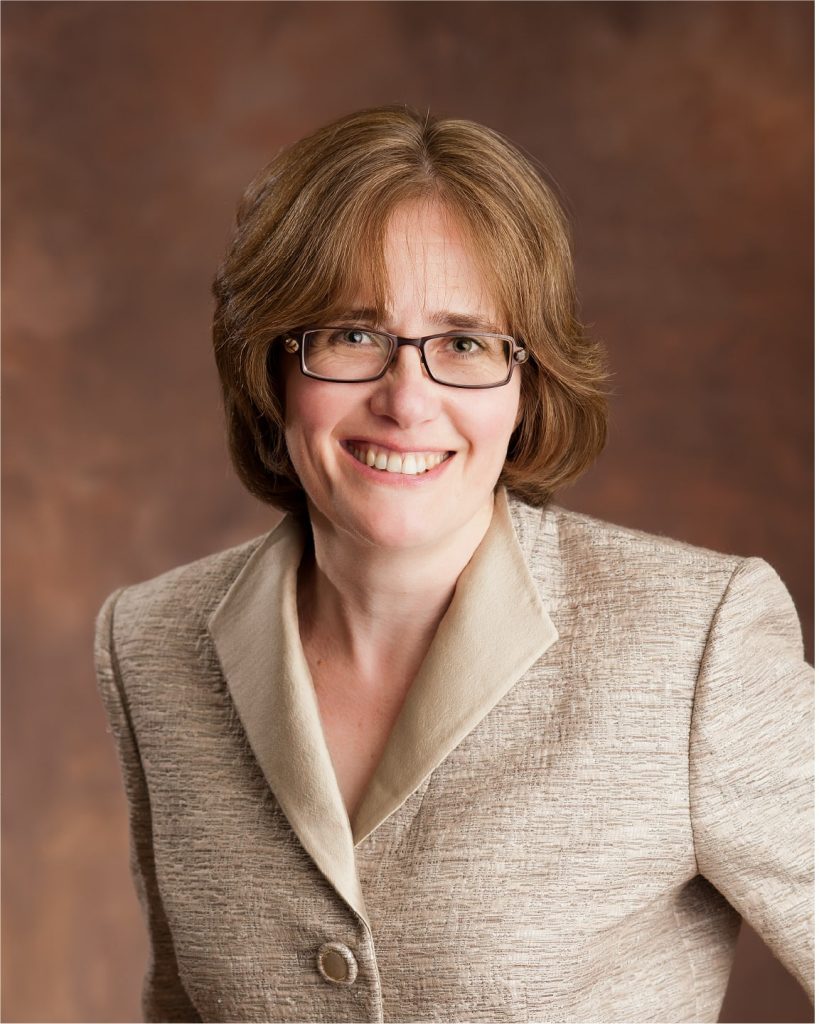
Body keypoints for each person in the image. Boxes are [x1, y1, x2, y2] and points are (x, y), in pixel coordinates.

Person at [95, 105, 813, 1024]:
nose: (406, 400)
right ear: (272, 371)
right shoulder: (149, 642)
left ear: (527, 384)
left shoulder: (693, 644)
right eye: (351, 334)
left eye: (465, 343)